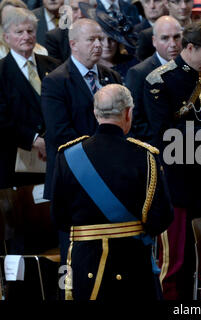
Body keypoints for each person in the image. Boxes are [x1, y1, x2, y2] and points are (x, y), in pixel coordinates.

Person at [50, 84, 173, 301]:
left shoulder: (67, 156)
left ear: (95, 113)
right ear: (128, 112)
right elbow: (160, 218)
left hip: (85, 262)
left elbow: (59, 218)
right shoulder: (145, 156)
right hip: (132, 262)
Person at [144, 21, 201, 299]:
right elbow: (162, 135)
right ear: (190, 48)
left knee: (199, 261)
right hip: (174, 182)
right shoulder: (160, 80)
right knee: (175, 262)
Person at [41, 18, 122, 203]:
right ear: (73, 44)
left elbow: (123, 121)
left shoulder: (112, 76)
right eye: (91, 39)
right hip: (73, 177)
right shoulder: (55, 82)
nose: (98, 44)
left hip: (111, 176)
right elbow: (59, 133)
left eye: (100, 39)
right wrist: (101, 153)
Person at [0, 7, 59, 189]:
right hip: (17, 163)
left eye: (30, 31)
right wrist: (33, 139)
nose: (26, 36)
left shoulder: (54, 66)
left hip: (56, 157)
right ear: (6, 37)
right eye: (19, 32)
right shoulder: (1, 72)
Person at [126, 15, 182, 142]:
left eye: (176, 37)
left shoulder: (189, 68)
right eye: (165, 38)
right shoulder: (139, 73)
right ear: (154, 41)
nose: (172, 44)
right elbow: (135, 122)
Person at [80, 2, 139, 82]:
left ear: (118, 42)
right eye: (101, 39)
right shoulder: (85, 67)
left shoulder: (133, 64)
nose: (107, 45)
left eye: (112, 39)